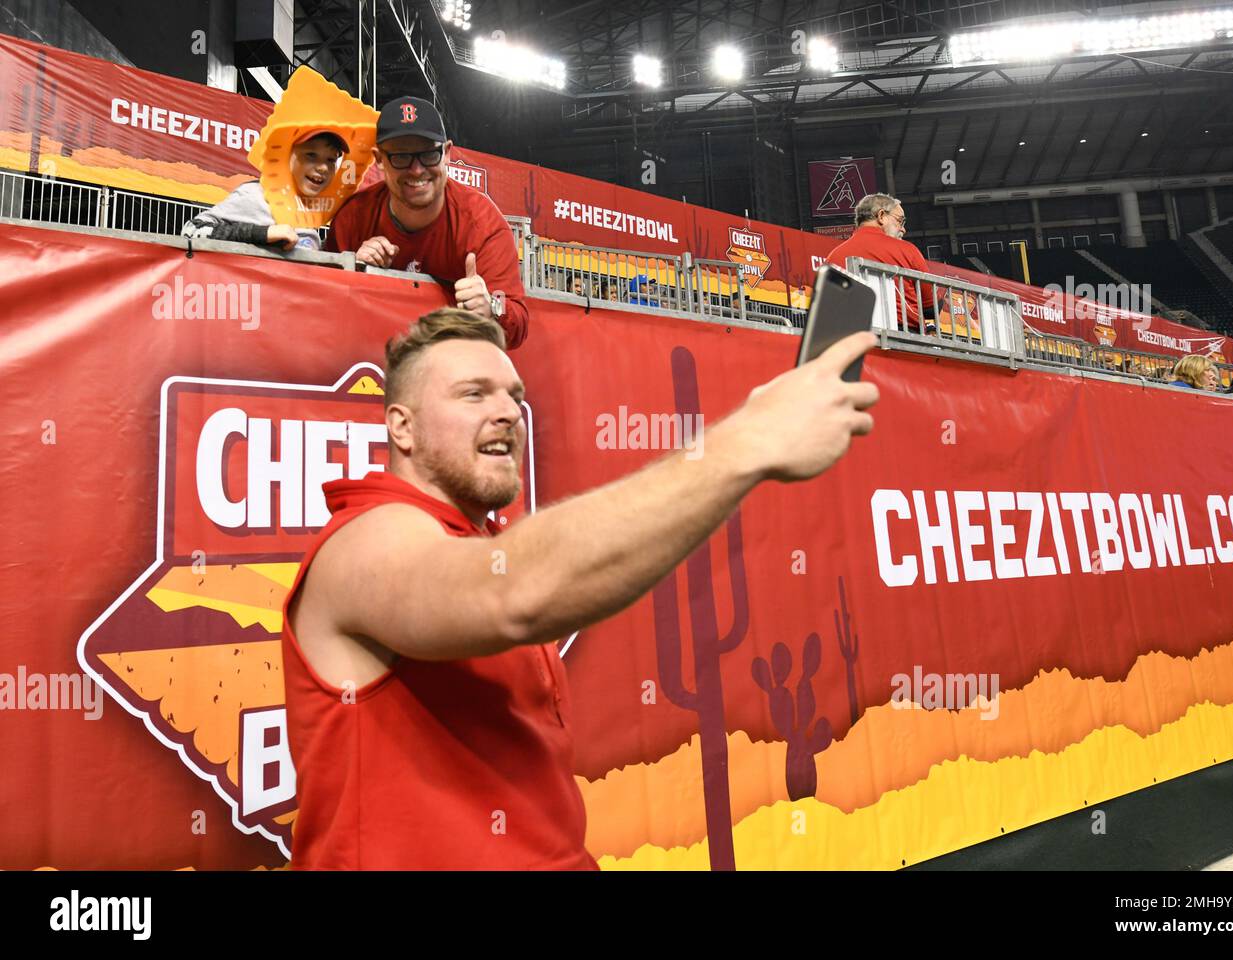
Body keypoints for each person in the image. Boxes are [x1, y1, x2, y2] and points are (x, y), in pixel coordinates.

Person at [281, 307, 880, 869]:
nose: (509, 412)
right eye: (473, 394)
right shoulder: (362, 539)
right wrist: (748, 441)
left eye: (514, 396)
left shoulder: (471, 544)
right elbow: (513, 594)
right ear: (401, 429)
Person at [325, 97, 528, 349]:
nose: (417, 170)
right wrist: (354, 274)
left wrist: (492, 308)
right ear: (379, 159)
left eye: (429, 154)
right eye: (401, 156)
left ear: (447, 153)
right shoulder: (353, 217)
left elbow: (518, 324)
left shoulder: (482, 224)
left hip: (453, 358)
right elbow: (322, 307)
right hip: (369, 357)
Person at [184, 132, 348, 250]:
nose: (323, 168)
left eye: (331, 160)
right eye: (311, 155)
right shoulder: (256, 193)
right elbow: (190, 231)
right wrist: (262, 233)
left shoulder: (310, 209)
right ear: (285, 156)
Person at [826, 193, 936, 333]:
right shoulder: (907, 250)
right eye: (900, 221)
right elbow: (931, 307)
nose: (903, 229)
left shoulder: (833, 256)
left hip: (852, 340)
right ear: (882, 216)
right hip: (905, 337)